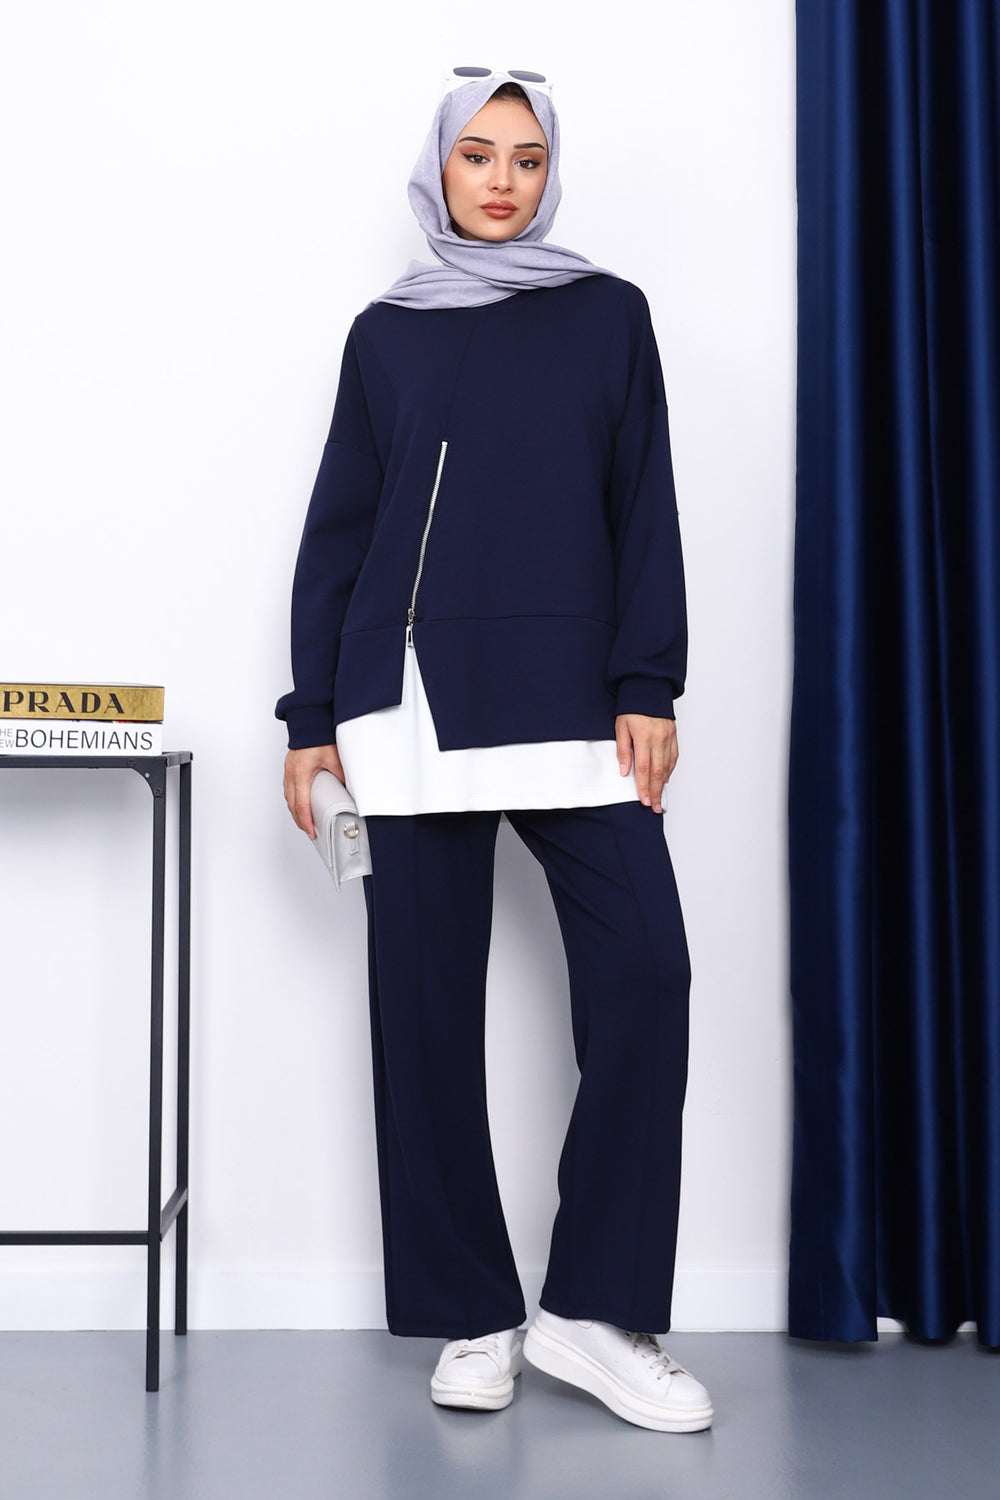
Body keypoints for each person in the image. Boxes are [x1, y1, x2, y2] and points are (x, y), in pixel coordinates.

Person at [276, 66, 713, 1435]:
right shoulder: (387, 336)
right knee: (422, 1019)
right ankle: (474, 1310)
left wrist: (648, 679)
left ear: (549, 172)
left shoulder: (608, 316)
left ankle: (594, 1311)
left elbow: (643, 500)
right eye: (479, 156)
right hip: (407, 702)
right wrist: (308, 719)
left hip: (575, 697)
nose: (503, 182)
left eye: (526, 158)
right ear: (441, 169)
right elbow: (341, 530)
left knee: (646, 970)